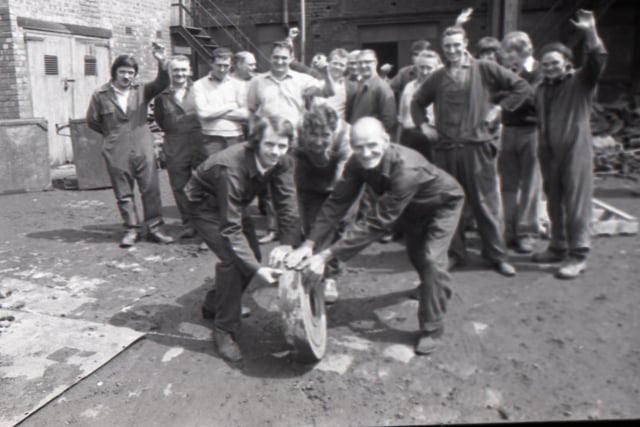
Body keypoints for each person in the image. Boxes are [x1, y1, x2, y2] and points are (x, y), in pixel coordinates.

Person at [285, 117, 465, 355]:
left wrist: (326, 255)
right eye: (358, 146)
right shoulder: (356, 163)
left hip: (442, 205)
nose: (366, 152)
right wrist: (309, 243)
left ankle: (432, 328)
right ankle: (429, 287)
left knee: (432, 259)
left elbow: (376, 223)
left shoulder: (406, 169)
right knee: (417, 255)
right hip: (411, 208)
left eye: (372, 145)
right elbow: (337, 203)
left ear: (386, 140)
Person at [410, 24, 530, 277]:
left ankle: (496, 255)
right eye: (447, 47)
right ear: (443, 49)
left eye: (456, 45)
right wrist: (424, 126)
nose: (452, 50)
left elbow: (520, 87)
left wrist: (499, 108)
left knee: (486, 202)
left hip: (477, 148)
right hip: (446, 150)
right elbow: (417, 102)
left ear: (465, 43)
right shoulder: (438, 76)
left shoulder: (484, 69)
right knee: (448, 204)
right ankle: (455, 253)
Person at [184, 115, 301, 362]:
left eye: (282, 145)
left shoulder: (283, 160)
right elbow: (230, 230)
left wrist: (288, 243)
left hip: (235, 203)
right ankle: (225, 329)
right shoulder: (231, 168)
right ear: (256, 141)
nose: (275, 151)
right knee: (233, 260)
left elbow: (287, 203)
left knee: (252, 256)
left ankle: (215, 303)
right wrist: (258, 270)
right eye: (270, 144)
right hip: (204, 205)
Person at [532, 9, 607, 279]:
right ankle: (558, 246)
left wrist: (590, 31)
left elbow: (597, 60)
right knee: (554, 201)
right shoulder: (541, 89)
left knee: (576, 203)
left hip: (575, 151)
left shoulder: (580, 82)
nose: (550, 67)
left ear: (566, 62)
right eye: (546, 63)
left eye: (555, 63)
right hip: (549, 153)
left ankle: (579, 255)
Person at [86, 44, 174, 248]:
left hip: (143, 146)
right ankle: (131, 229)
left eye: (131, 73)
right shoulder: (100, 95)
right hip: (116, 148)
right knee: (123, 191)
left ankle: (155, 228)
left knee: (150, 189)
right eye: (123, 72)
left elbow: (163, 82)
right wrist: (113, 136)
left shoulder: (142, 90)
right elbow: (92, 121)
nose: (126, 76)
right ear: (114, 72)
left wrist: (161, 61)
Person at [248, 40, 333, 244]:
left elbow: (328, 92)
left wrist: (325, 72)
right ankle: (273, 228)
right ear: (270, 57)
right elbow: (251, 109)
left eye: (284, 58)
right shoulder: (258, 82)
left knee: (296, 186)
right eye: (276, 57)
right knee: (269, 188)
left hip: (295, 142)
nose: (279, 61)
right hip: (269, 142)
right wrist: (254, 134)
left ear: (291, 59)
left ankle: (298, 229)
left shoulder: (302, 80)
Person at [294, 104, 352, 303]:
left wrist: (333, 214)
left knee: (338, 226)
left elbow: (342, 184)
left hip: (340, 183)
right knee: (311, 227)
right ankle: (312, 268)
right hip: (308, 180)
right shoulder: (296, 136)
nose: (319, 141)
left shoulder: (345, 137)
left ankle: (331, 275)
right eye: (314, 134)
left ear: (333, 131)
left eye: (324, 135)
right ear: (305, 131)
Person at [499, 31, 544, 254]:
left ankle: (527, 232)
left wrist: (511, 91)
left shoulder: (539, 70)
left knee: (530, 183)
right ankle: (509, 231)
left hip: (532, 130)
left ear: (522, 51)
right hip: (508, 130)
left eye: (509, 52)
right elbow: (496, 95)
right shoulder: (508, 72)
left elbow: (533, 99)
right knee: (508, 184)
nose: (505, 57)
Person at [153, 55, 202, 240]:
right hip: (175, 143)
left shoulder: (199, 90)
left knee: (202, 184)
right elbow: (160, 120)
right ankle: (189, 223)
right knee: (180, 186)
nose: (180, 73)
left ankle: (205, 224)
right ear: (169, 72)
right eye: (175, 70)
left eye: (183, 69)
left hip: (199, 142)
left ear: (189, 70)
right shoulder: (162, 96)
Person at [193, 47, 248, 161]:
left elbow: (245, 114)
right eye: (219, 65)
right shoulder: (199, 85)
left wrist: (214, 112)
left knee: (235, 172)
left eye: (226, 66)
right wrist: (231, 106)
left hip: (235, 137)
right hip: (211, 138)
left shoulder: (239, 85)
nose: (222, 69)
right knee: (214, 172)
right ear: (211, 63)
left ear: (231, 65)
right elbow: (203, 114)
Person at [396, 50, 442, 162]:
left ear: (437, 68)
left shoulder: (441, 90)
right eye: (421, 67)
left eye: (429, 68)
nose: (425, 72)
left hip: (431, 139)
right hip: (409, 138)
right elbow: (402, 119)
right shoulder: (409, 87)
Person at [346, 49, 396, 134]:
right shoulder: (360, 84)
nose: (363, 65)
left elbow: (389, 120)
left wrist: (374, 135)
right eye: (360, 62)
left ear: (375, 63)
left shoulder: (382, 87)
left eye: (367, 62)